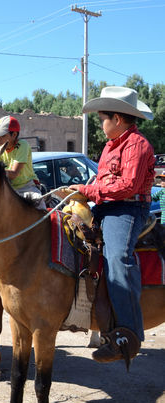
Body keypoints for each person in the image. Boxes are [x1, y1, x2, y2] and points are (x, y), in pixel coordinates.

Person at [70, 86, 155, 364]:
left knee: (118, 257)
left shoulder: (138, 145)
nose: (100, 124)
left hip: (129, 208)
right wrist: (82, 191)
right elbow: (103, 181)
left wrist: (89, 190)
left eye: (102, 119)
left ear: (117, 119)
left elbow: (127, 186)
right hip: (107, 206)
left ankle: (128, 334)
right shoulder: (110, 145)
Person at [0, 115, 45, 209]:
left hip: (26, 187)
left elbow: (14, 174)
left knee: (39, 206)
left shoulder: (22, 145)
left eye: (2, 136)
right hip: (6, 188)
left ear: (14, 135)